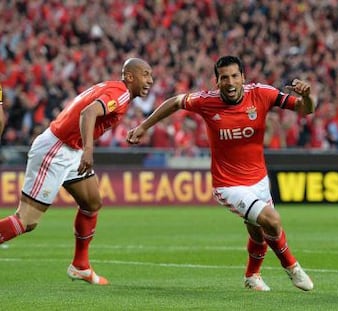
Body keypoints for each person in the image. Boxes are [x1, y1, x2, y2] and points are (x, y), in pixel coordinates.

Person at [127, 55, 315, 291]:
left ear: (243, 78)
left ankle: (252, 276)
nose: (230, 82)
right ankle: (292, 267)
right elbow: (175, 102)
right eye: (224, 77)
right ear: (217, 82)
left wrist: (307, 96)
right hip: (228, 185)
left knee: (258, 232)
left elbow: (305, 110)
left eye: (235, 76)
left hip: (259, 179)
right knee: (272, 221)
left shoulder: (262, 93)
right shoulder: (206, 101)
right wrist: (143, 126)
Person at [0, 58, 153, 285]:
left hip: (71, 150)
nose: (150, 80)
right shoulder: (120, 93)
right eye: (146, 74)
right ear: (130, 76)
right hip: (56, 149)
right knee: (27, 221)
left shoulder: (114, 89)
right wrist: (89, 151)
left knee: (92, 202)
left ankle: (80, 265)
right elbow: (88, 113)